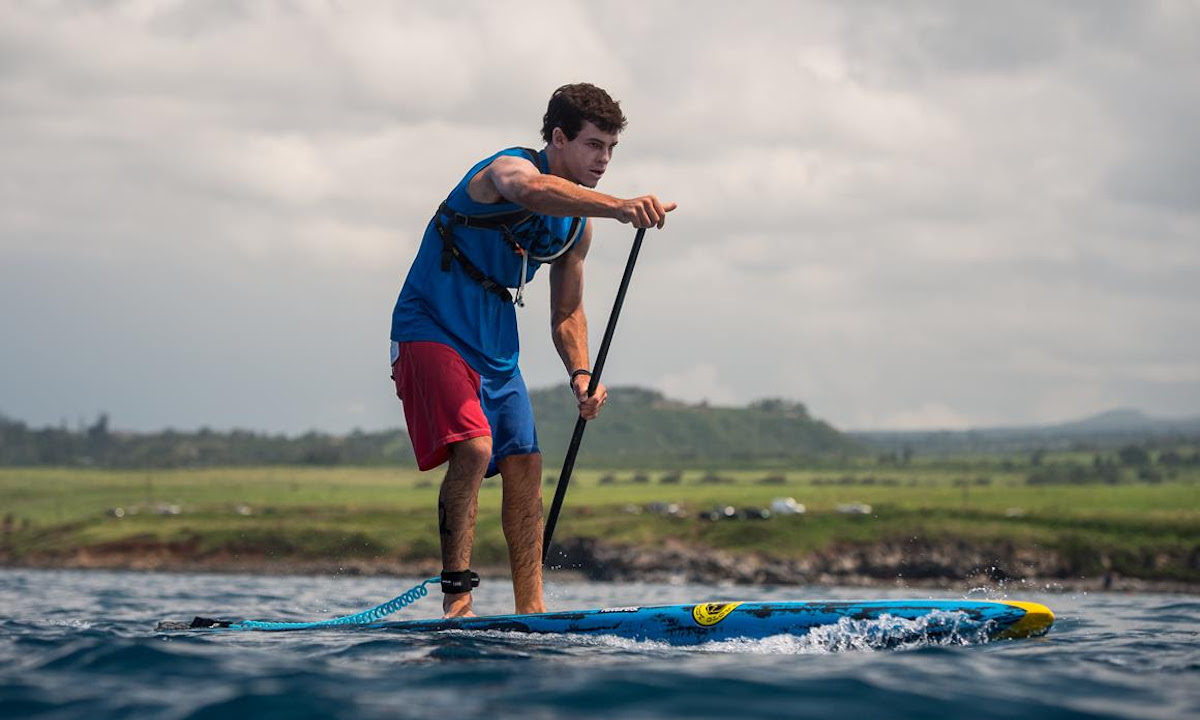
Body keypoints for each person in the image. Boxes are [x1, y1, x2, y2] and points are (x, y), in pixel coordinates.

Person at [389, 83, 676, 618]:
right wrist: (619, 207)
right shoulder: (506, 170)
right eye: (594, 145)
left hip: (495, 339)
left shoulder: (576, 229)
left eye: (612, 149)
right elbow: (529, 192)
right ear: (559, 139)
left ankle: (532, 609)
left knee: (525, 463)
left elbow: (567, 313)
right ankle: (458, 602)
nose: (604, 160)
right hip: (430, 325)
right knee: (474, 449)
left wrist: (581, 373)